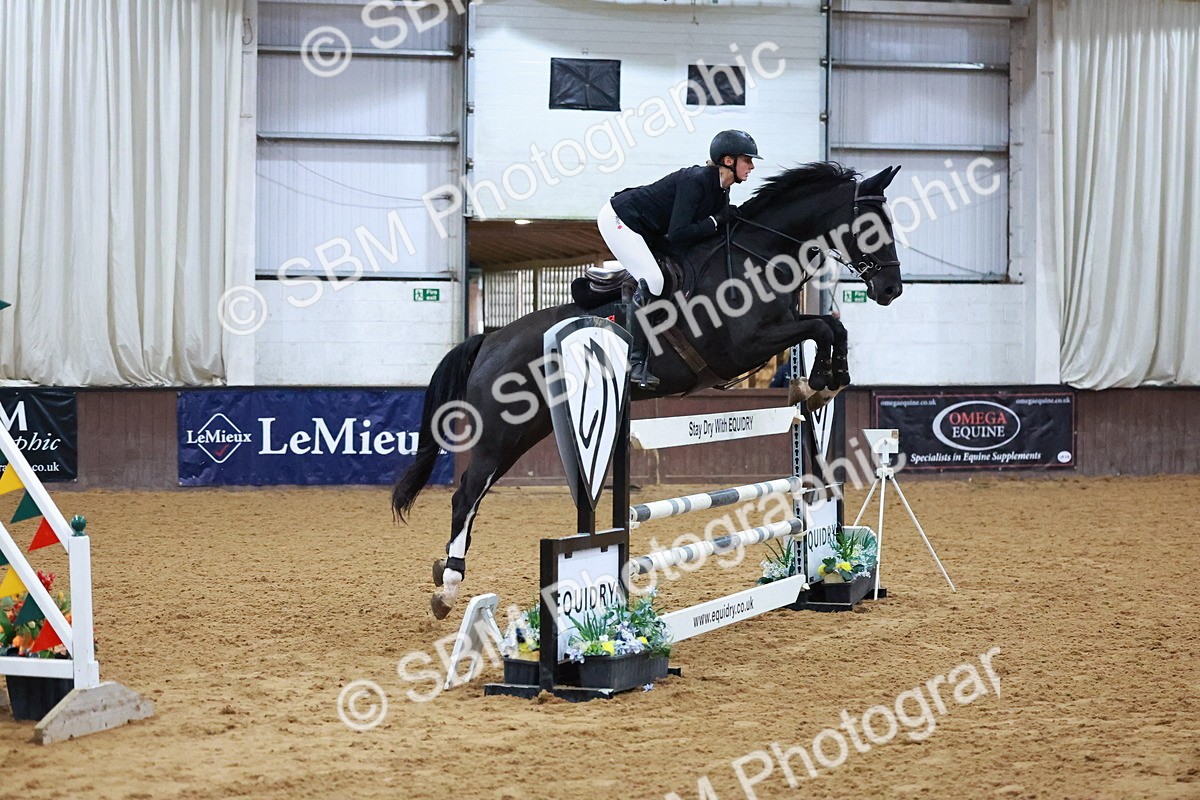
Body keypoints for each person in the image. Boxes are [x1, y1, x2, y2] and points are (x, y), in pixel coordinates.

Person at [597, 129, 762, 389]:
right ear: (728, 161)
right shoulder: (697, 180)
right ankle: (635, 362)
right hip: (621, 220)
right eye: (747, 160)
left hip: (649, 230)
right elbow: (678, 234)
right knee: (654, 280)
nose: (752, 166)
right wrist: (715, 221)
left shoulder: (721, 190)